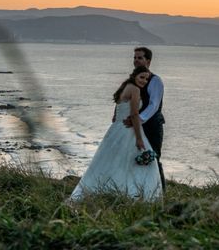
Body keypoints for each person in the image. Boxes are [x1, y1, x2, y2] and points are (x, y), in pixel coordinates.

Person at [70, 66, 162, 201]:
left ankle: (110, 191)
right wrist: (139, 138)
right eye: (142, 77)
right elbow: (135, 115)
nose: (144, 81)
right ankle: (135, 195)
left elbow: (118, 110)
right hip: (128, 131)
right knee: (140, 165)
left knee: (114, 163)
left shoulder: (125, 87)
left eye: (147, 79)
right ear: (134, 75)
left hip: (116, 129)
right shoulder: (135, 89)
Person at [123, 47, 166, 193]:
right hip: (135, 126)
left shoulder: (155, 81)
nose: (136, 60)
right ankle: (138, 191)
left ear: (148, 61)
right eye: (134, 58)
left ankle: (161, 193)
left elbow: (154, 104)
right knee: (134, 158)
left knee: (153, 158)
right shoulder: (132, 81)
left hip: (152, 125)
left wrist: (138, 119)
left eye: (139, 58)